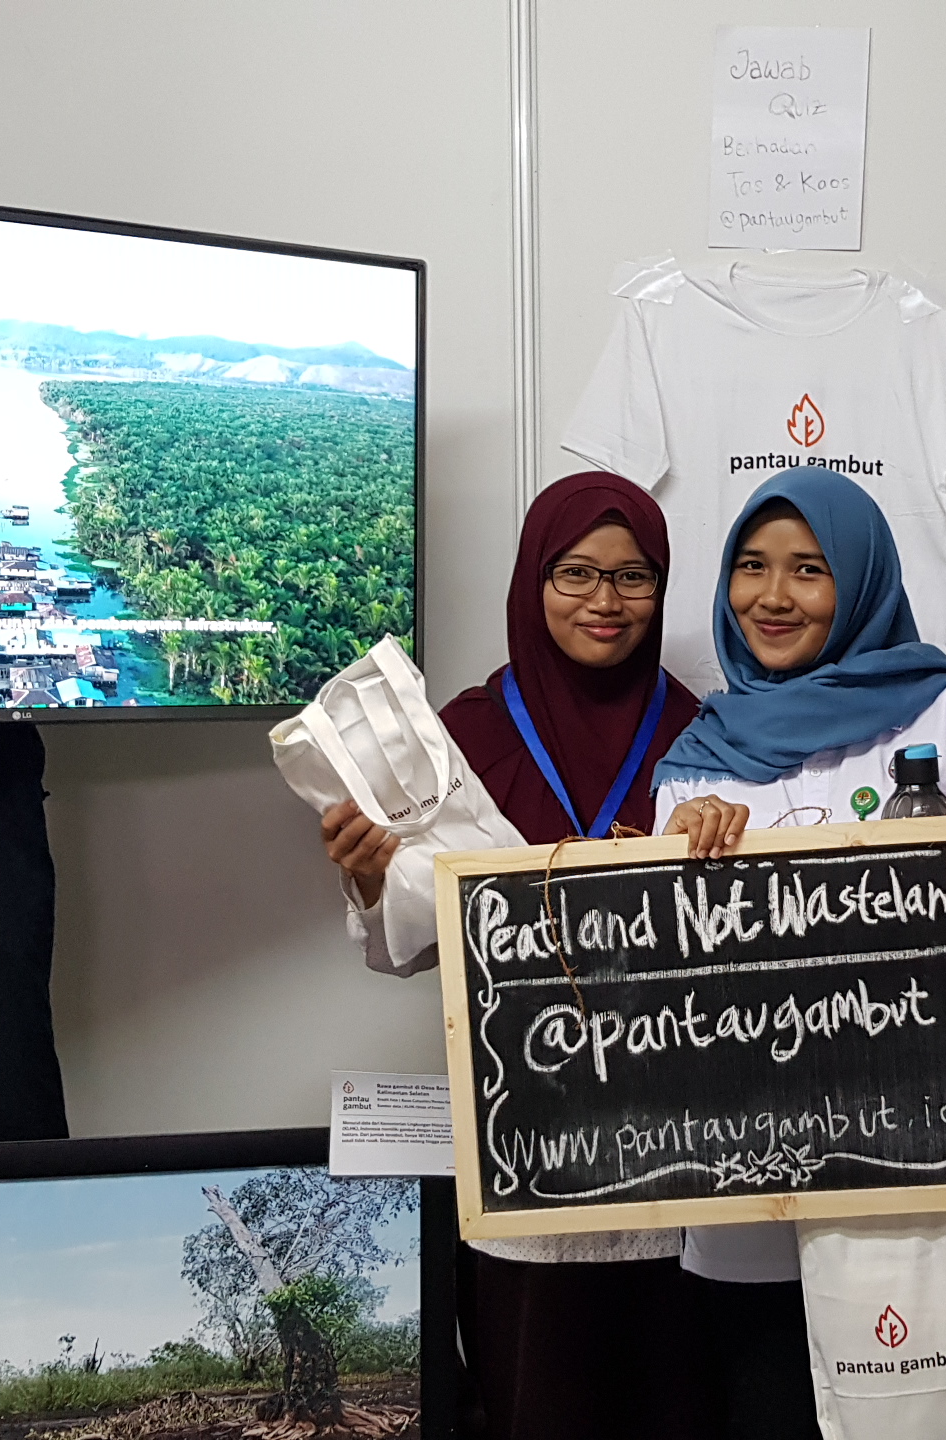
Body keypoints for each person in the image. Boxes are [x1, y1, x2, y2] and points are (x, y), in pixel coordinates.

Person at [649, 465, 946, 1440]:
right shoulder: (697, 759)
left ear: (863, 578)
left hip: (936, 1171)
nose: (772, 596)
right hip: (753, 1190)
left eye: (809, 568)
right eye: (751, 566)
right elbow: (671, 993)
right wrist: (674, 866)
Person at [319, 471, 711, 1440]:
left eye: (634, 577)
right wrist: (369, 880)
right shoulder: (459, 740)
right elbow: (412, 947)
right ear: (533, 580)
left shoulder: (707, 738)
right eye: (575, 572)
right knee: (537, 1406)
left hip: (683, 1164)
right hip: (524, 1157)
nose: (605, 601)